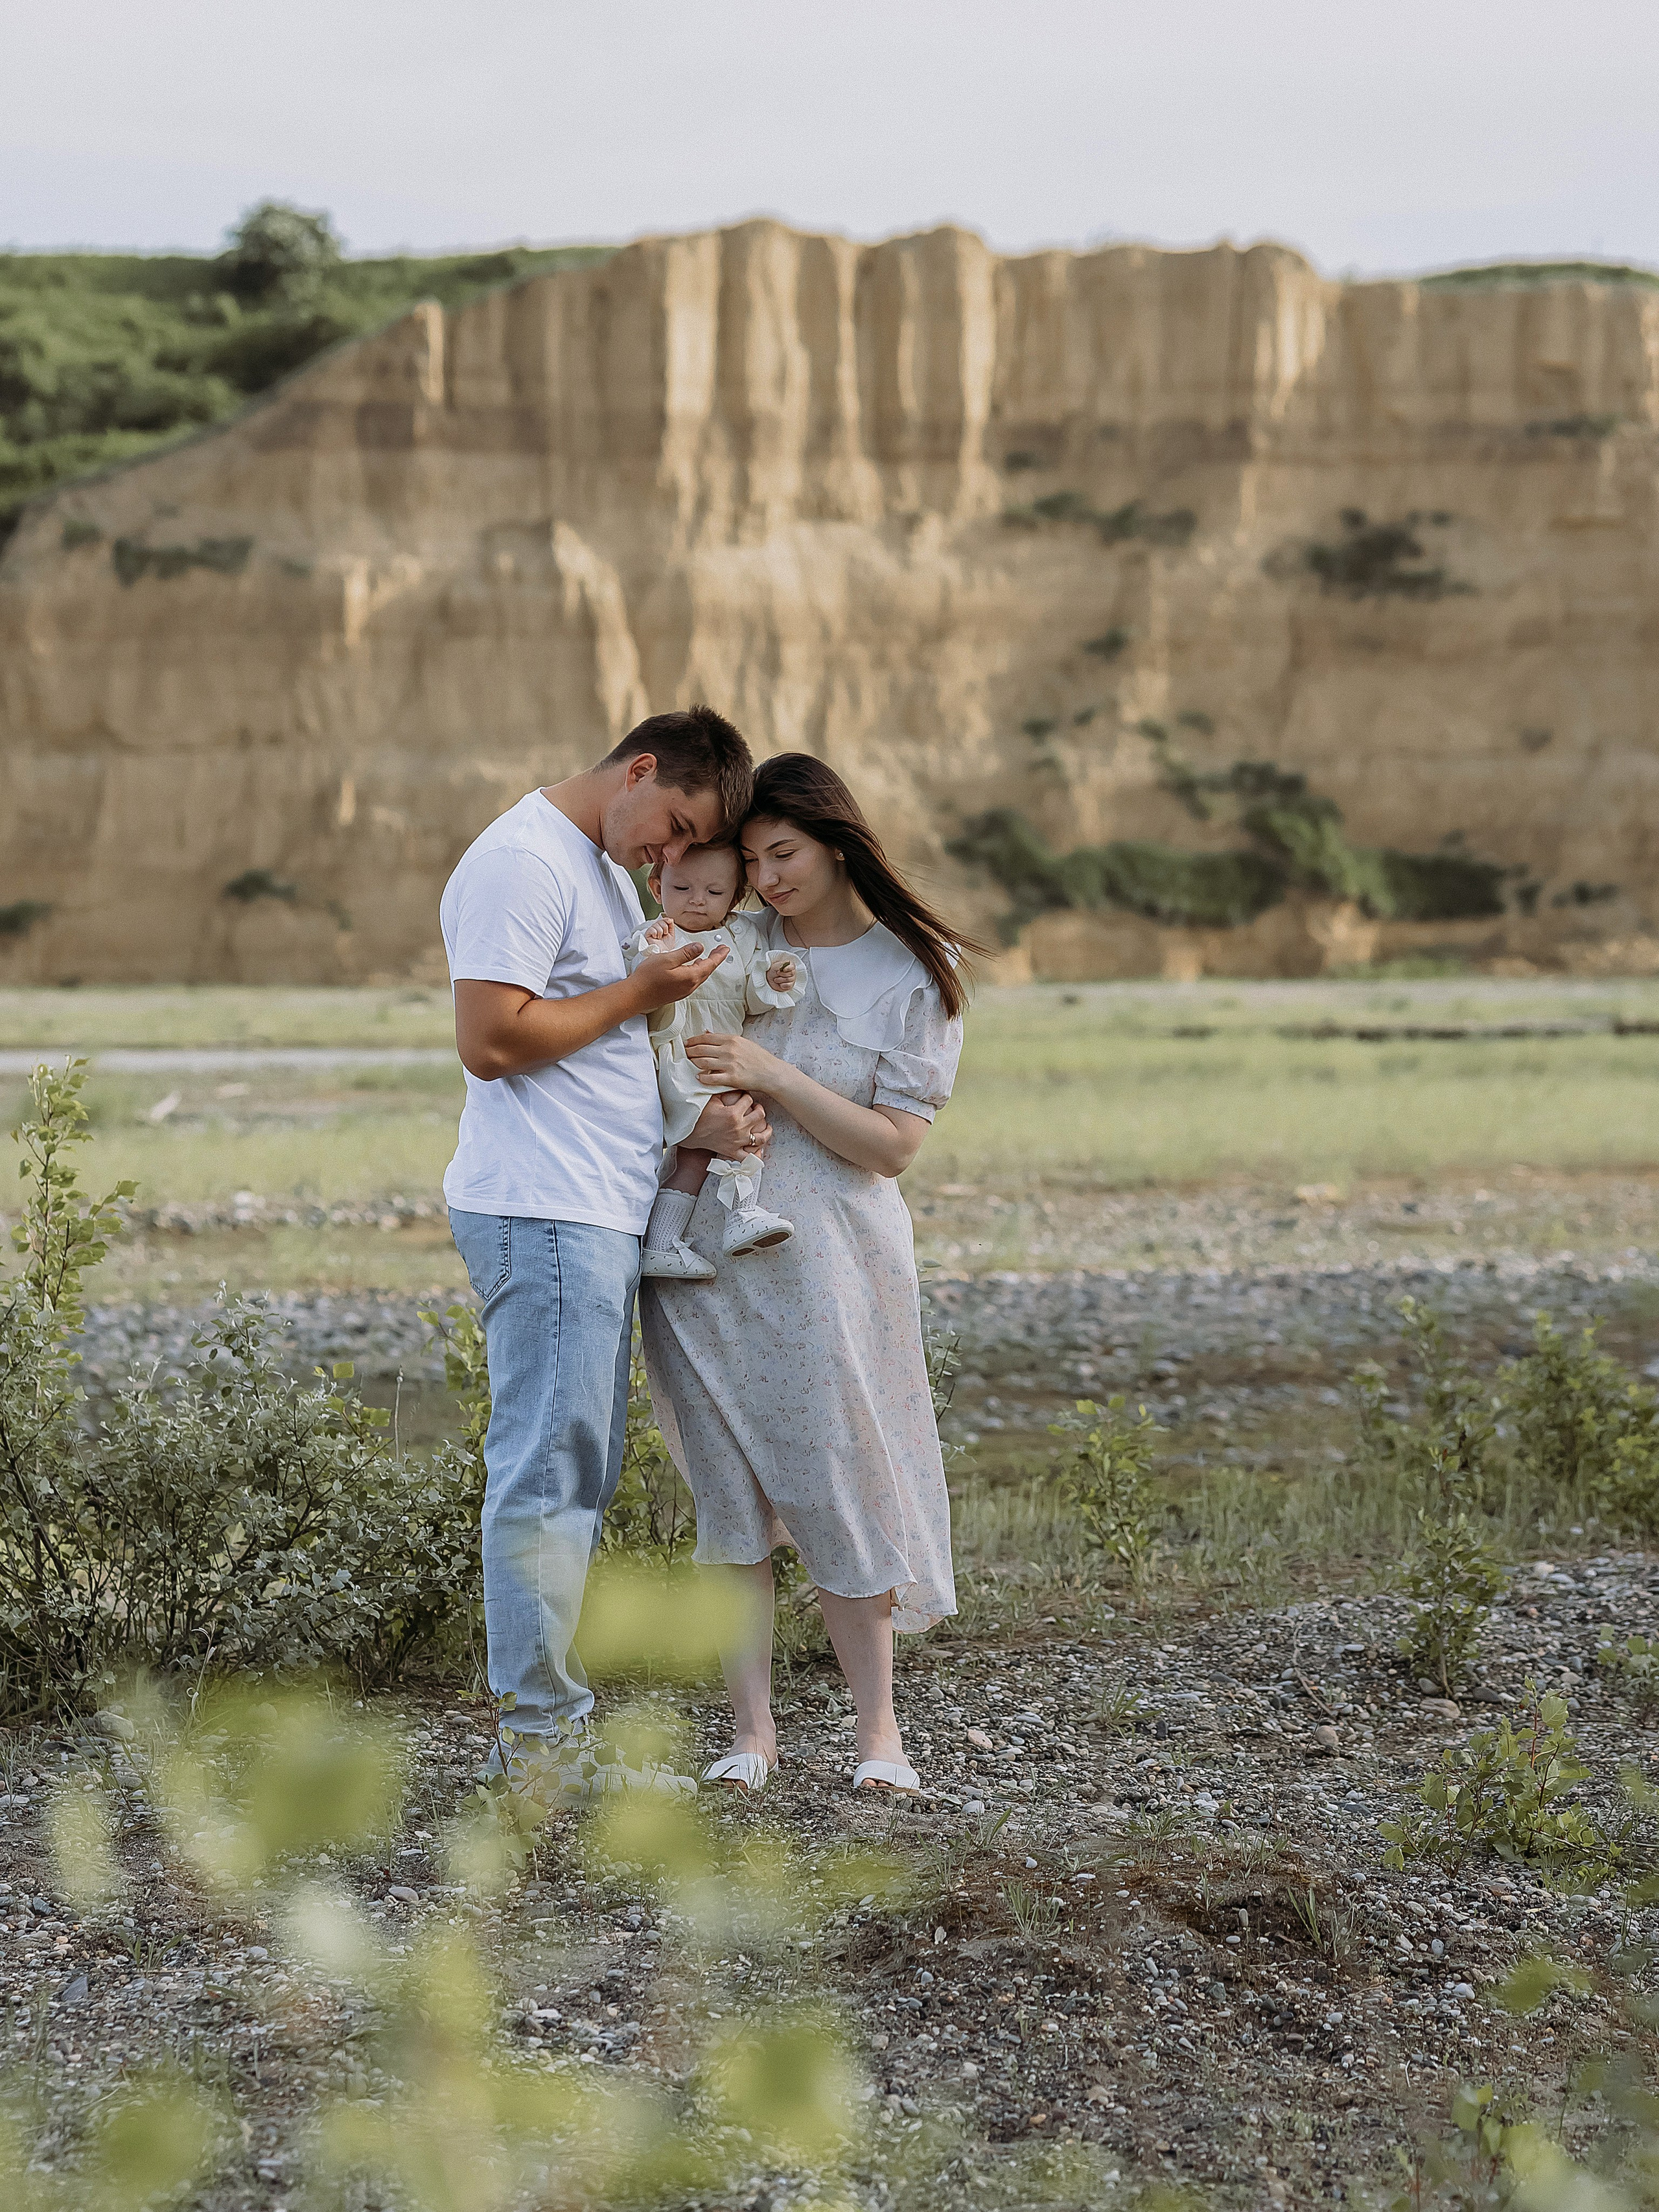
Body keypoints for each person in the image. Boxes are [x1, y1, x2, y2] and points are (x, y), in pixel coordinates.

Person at [639, 753, 984, 1797]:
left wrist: (772, 1074)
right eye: (749, 859)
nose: (766, 877)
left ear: (838, 841)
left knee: (840, 1481)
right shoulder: (726, 941)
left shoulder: (911, 978)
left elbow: (890, 1148)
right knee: (728, 1496)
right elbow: (650, 1056)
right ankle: (753, 1733)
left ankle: (878, 1735)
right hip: (702, 1255)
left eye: (781, 853)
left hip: (830, 1260)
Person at [440, 706, 767, 1797]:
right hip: (544, 1213)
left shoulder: (589, 864)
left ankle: (542, 1738)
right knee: (546, 1475)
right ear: (637, 769)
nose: (671, 855)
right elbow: (492, 1041)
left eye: (688, 843)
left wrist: (687, 1128)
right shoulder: (525, 860)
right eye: (672, 824)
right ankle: (540, 1750)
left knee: (570, 1470)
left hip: (583, 1208)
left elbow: (590, 1061)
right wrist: (642, 992)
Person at [624, 841, 804, 1280]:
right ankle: (707, 1226)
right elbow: (640, 972)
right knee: (725, 1135)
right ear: (656, 885)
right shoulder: (659, 933)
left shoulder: (743, 936)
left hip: (724, 1058)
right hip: (682, 1057)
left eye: (714, 891)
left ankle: (702, 1229)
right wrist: (652, 948)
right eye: (681, 887)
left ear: (736, 897)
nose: (697, 899)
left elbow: (752, 995)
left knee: (735, 1137)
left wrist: (773, 979)